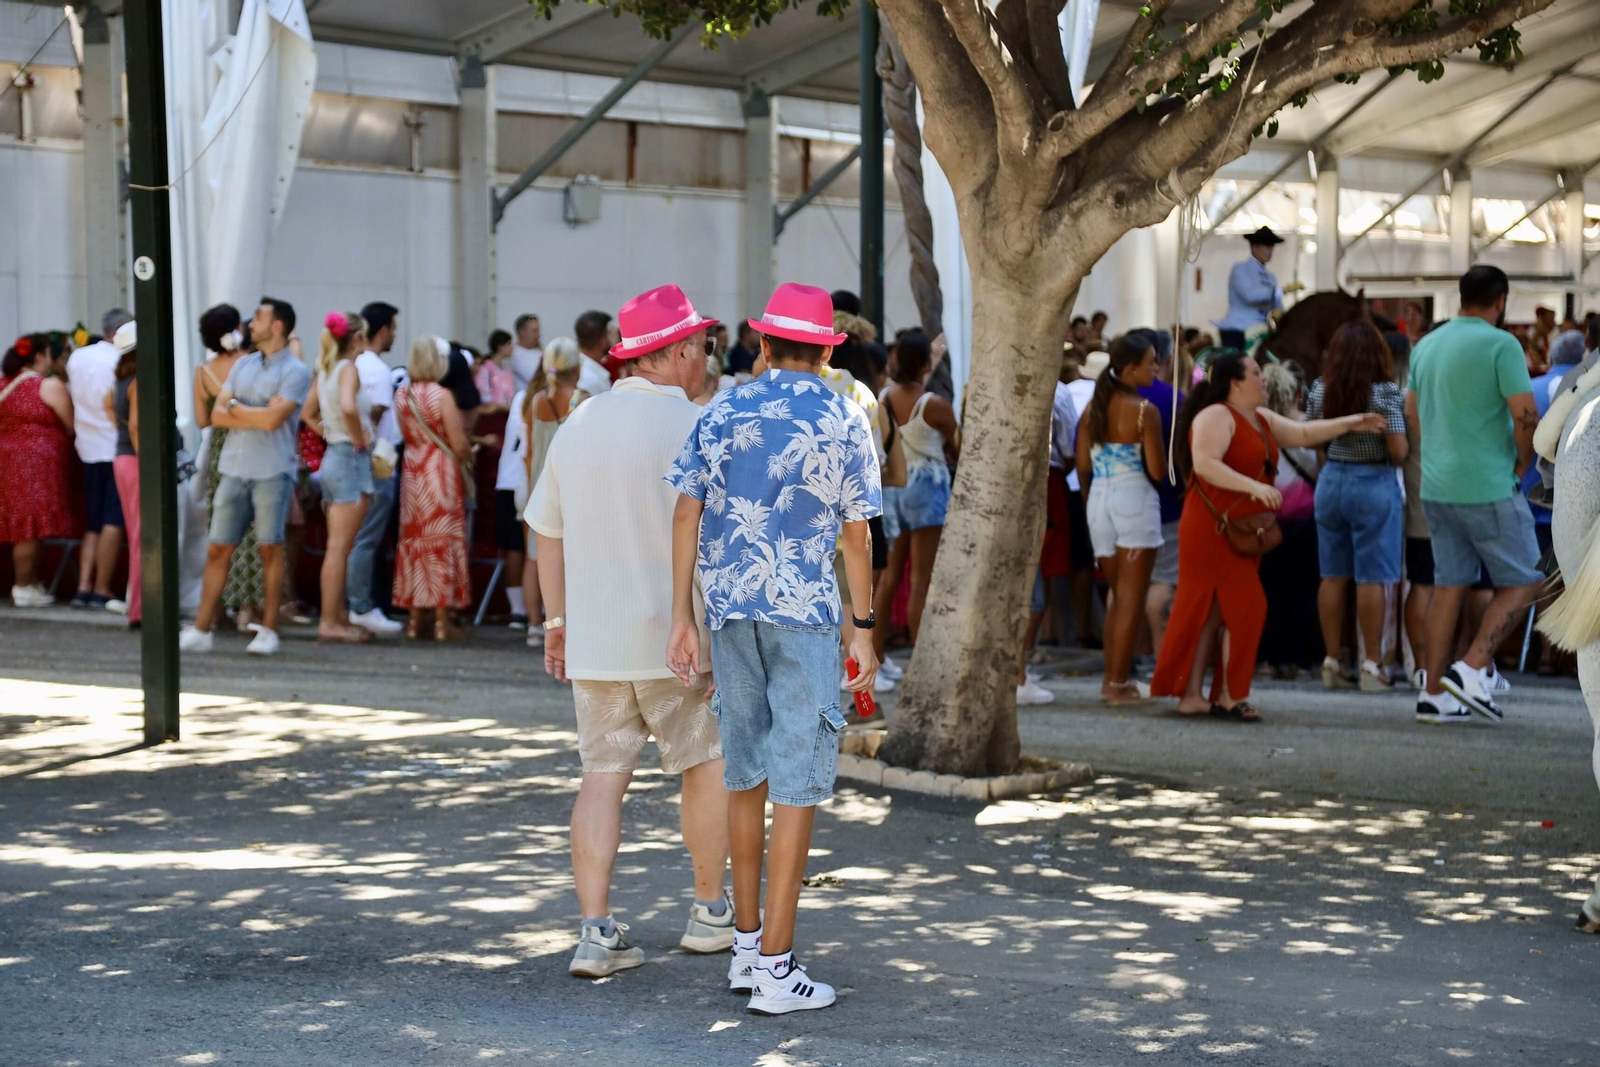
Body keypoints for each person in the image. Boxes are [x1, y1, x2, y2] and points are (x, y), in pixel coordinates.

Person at [667, 282, 882, 1016]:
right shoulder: (844, 413)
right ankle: (777, 969)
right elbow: (858, 534)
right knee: (800, 780)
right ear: (826, 350)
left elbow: (685, 512)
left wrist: (682, 615)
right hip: (805, 612)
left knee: (745, 773)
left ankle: (748, 949)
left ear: (762, 344)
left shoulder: (722, 406)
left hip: (729, 609)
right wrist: (866, 623)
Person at [526, 284, 732, 979]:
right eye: (701, 344)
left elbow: (544, 530)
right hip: (684, 638)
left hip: (596, 637)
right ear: (675, 352)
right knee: (705, 767)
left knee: (601, 776)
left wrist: (556, 620)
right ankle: (709, 910)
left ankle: (595, 930)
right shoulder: (700, 425)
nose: (706, 356)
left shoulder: (580, 424)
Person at [1150, 352, 1384, 721]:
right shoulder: (1216, 415)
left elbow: (1305, 433)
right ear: (1235, 382)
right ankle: (1229, 696)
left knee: (1211, 615)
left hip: (1242, 529)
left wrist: (1352, 423)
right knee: (1243, 608)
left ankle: (1192, 696)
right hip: (1211, 528)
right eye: (1256, 373)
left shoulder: (1257, 418)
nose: (1264, 379)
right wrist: (1254, 488)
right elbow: (1205, 463)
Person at [1408, 265, 1543, 724]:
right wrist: (1523, 463)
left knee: (1449, 585)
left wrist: (1439, 454)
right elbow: (1526, 416)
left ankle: (1432, 693)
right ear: (1501, 300)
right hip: (1487, 482)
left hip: (1438, 484)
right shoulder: (1501, 344)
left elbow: (1412, 412)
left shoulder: (1427, 345)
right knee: (1529, 578)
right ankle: (1471, 667)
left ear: (1460, 297)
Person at [179, 299, 312, 656]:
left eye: (260, 317)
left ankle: (268, 629)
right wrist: (251, 410)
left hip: (271, 470)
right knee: (218, 547)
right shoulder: (244, 364)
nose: (251, 323)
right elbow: (217, 415)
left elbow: (272, 421)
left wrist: (237, 408)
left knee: (271, 547)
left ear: (278, 326)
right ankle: (202, 628)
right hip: (234, 468)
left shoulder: (296, 371)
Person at [1306, 322, 1408, 690]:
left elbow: (1314, 441)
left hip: (1331, 480)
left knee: (1332, 574)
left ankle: (1331, 661)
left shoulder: (1320, 389)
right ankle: (1371, 665)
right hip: (1373, 482)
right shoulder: (1384, 393)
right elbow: (1398, 452)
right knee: (1372, 576)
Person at [1075, 335, 1167, 704]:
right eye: (1151, 362)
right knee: (1130, 598)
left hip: (1099, 500)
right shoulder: (1145, 410)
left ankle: (1112, 680)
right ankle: (1117, 684)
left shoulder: (1093, 410)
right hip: (1134, 499)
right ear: (1131, 369)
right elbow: (1158, 471)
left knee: (1119, 597)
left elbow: (1082, 466)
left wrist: (1089, 500)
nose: (1156, 368)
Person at [871, 331, 959, 658]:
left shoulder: (882, 399)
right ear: (925, 364)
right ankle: (922, 658)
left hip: (894, 486)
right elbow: (958, 444)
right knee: (922, 578)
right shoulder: (934, 404)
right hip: (927, 487)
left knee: (889, 577)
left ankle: (875, 653)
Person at [194, 304, 269, 630]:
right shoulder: (252, 364)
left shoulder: (203, 372)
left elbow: (201, 420)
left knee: (221, 532)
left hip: (218, 455)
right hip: (253, 448)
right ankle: (248, 608)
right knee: (254, 530)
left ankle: (217, 606)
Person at [302, 312, 375, 643]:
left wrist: (330, 434)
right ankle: (330, 622)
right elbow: (348, 407)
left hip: (335, 456)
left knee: (337, 546)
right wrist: (358, 437)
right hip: (348, 459)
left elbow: (308, 412)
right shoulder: (347, 369)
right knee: (339, 548)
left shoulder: (327, 369)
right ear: (357, 338)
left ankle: (337, 617)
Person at [393, 336, 472, 641]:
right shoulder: (442, 395)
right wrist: (468, 454)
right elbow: (458, 441)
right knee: (442, 539)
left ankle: (415, 620)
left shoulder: (402, 394)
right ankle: (442, 621)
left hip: (413, 471)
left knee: (415, 540)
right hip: (439, 471)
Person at [1255, 362, 1323, 677]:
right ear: (1298, 392)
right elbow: (1320, 470)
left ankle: (1266, 658)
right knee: (1304, 590)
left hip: (1266, 517)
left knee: (1266, 589)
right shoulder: (1308, 426)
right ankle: (1301, 658)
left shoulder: (1256, 425)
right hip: (1305, 518)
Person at [519, 336, 587, 646]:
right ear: (577, 366)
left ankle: (535, 624)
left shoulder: (537, 401)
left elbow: (531, 451)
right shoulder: (582, 400)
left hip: (539, 485)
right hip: (572, 486)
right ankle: (567, 621)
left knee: (535, 557)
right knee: (571, 557)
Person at [1, 334, 77, 606]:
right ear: (40, 357)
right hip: (35, 465)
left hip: (7, 462)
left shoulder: (3, 383)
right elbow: (71, 423)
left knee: (18, 524)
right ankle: (23, 586)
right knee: (29, 526)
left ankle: (29, 583)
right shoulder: (47, 385)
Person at [64, 307, 129, 610]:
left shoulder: (79, 357)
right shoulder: (120, 360)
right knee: (112, 520)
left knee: (93, 522)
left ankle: (83, 586)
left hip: (87, 445)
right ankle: (102, 588)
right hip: (114, 444)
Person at [346, 301, 404, 636]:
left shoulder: (348, 366)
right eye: (393, 328)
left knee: (351, 539)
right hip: (377, 459)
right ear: (381, 331)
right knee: (365, 539)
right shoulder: (378, 370)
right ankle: (361, 606)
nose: (395, 334)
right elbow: (377, 413)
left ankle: (353, 604)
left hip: (351, 459)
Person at [1132, 330, 1188, 664]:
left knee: (1126, 585)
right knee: (1164, 580)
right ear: (1164, 360)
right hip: (1166, 502)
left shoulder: (1106, 398)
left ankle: (1127, 658)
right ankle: (1161, 658)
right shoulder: (1172, 400)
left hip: (1114, 502)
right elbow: (1176, 459)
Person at [104, 325, 141, 627]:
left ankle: (136, 604)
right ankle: (140, 609)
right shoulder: (138, 380)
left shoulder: (120, 379)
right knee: (144, 537)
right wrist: (149, 460)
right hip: (137, 460)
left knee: (136, 534)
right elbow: (137, 427)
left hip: (122, 457)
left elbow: (109, 407)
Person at [1215, 226, 1286, 352]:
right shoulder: (1240, 269)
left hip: (1261, 329)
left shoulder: (1271, 277)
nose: (1270, 251)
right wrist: (1280, 291)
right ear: (1255, 247)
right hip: (1238, 328)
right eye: (1267, 246)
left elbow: (1278, 305)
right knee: (1235, 363)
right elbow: (1251, 295)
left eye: (1271, 247)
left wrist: (1281, 313)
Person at [574, 311, 616, 398]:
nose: (614, 335)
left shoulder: (582, 369)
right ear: (602, 341)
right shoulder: (592, 380)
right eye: (610, 332)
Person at [475, 329, 517, 413]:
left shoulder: (507, 371)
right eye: (509, 344)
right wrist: (498, 406)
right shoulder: (486, 368)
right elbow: (483, 393)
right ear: (500, 346)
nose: (512, 347)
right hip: (492, 414)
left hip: (507, 413)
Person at [509, 313, 543, 392]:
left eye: (538, 330)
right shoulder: (513, 353)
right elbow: (535, 377)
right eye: (534, 331)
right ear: (522, 332)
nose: (538, 335)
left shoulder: (539, 352)